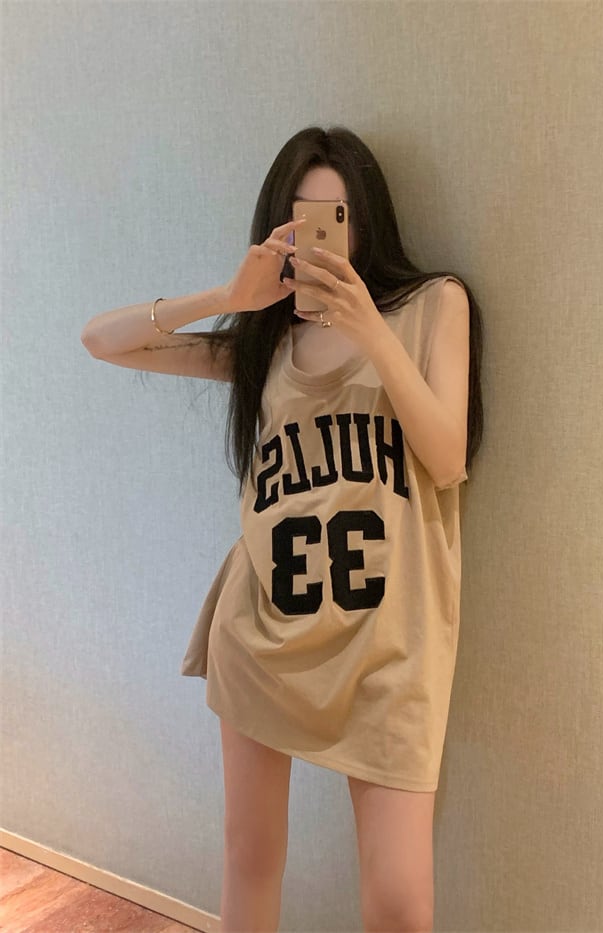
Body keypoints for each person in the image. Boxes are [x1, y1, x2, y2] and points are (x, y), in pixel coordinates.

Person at [81, 125, 483, 933]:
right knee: (251, 858)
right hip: (262, 632)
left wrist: (368, 326)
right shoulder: (264, 344)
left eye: (338, 219)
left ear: (367, 222)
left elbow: (446, 459)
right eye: (300, 223)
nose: (320, 241)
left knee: (401, 904)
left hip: (388, 646)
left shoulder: (434, 305)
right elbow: (101, 339)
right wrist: (228, 299)